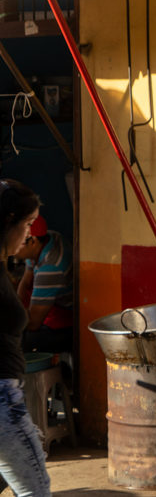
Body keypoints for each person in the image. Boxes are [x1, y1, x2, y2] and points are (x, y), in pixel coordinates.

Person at [0, 178, 52, 496]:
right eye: (28, 223)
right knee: (35, 487)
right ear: (8, 222)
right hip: (3, 398)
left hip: (7, 396)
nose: (30, 233)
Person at [15, 214, 73, 355]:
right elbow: (26, 281)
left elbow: (34, 323)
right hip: (51, 300)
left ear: (33, 242)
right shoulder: (46, 238)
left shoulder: (50, 268)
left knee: (23, 342)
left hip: (68, 318)